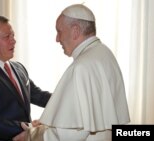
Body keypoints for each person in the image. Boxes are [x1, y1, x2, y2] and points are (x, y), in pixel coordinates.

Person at [13, 4, 130, 141]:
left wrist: (31, 135)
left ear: (75, 31)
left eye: (59, 31)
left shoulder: (81, 67)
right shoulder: (104, 53)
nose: (57, 39)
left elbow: (67, 135)